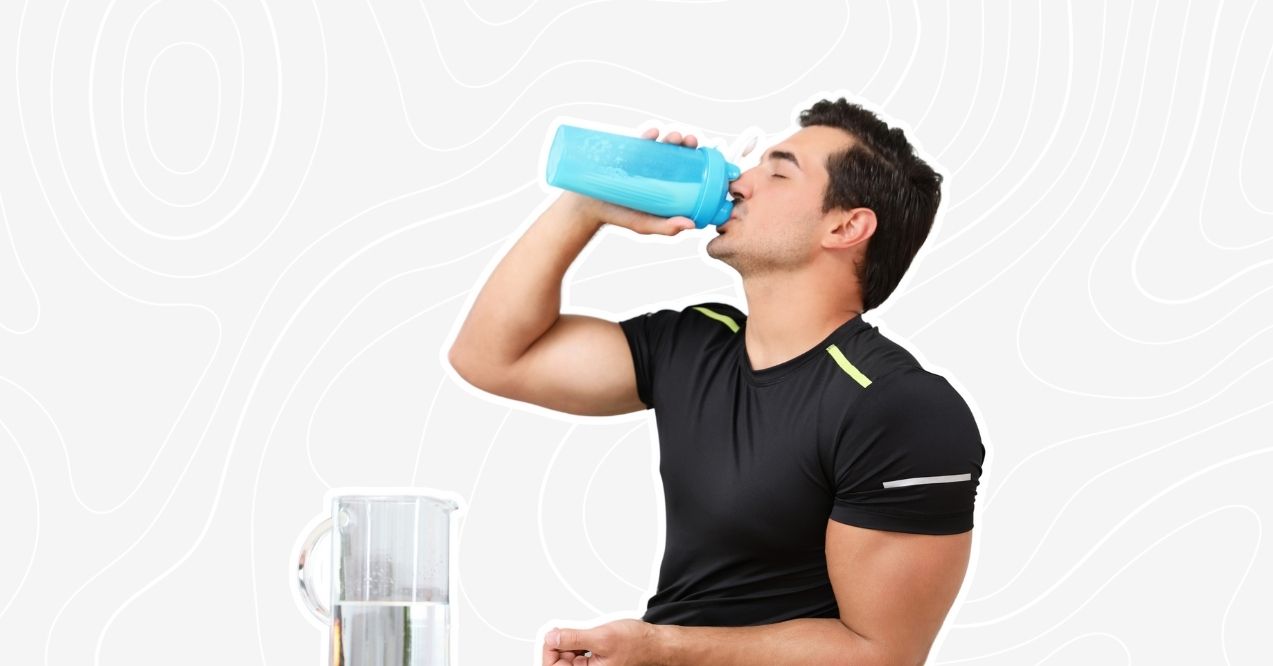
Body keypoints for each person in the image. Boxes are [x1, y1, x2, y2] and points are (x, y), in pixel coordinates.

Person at [448, 97, 986, 666]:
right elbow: (489, 357)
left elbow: (881, 655)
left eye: (778, 172)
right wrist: (586, 207)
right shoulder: (696, 343)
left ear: (846, 226)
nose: (741, 182)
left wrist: (664, 649)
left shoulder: (901, 407)